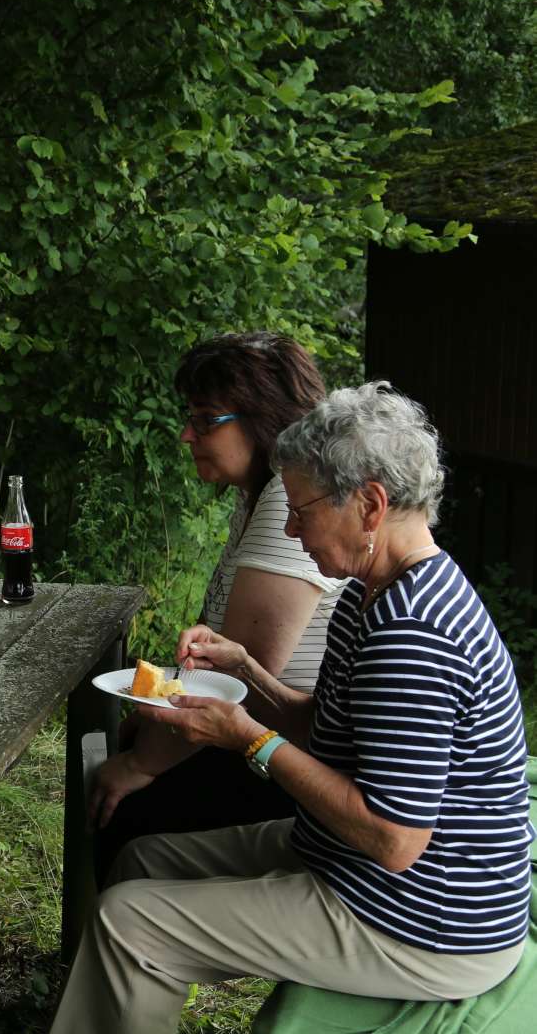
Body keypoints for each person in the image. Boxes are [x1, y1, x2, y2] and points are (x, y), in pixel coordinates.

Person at [51, 382, 532, 1033]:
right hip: (355, 865)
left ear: (370, 504)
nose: (289, 526)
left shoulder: (415, 633)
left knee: (129, 924)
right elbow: (328, 726)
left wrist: (245, 736)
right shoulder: (377, 590)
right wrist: (246, 670)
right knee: (143, 859)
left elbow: (394, 841)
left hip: (423, 921)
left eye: (302, 508)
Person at [91, 333, 344, 875]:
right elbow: (215, 647)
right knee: (121, 746)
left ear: (263, 419)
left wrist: (141, 764)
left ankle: (139, 946)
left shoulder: (287, 501)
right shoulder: (257, 494)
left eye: (206, 419)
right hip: (267, 739)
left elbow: (243, 677)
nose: (187, 435)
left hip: (298, 766)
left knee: (126, 813)